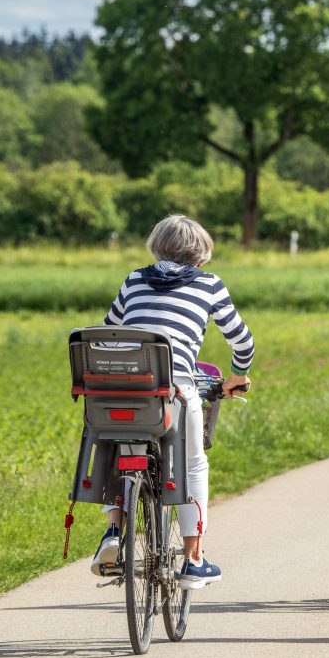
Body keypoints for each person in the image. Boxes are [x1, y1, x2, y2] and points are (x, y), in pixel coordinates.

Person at [92, 215, 255, 589]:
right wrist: (237, 376)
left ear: (157, 246)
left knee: (121, 453)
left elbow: (108, 331)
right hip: (175, 390)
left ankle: (113, 532)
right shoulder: (210, 285)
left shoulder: (134, 279)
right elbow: (242, 341)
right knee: (193, 464)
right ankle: (194, 560)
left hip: (123, 390)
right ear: (201, 253)